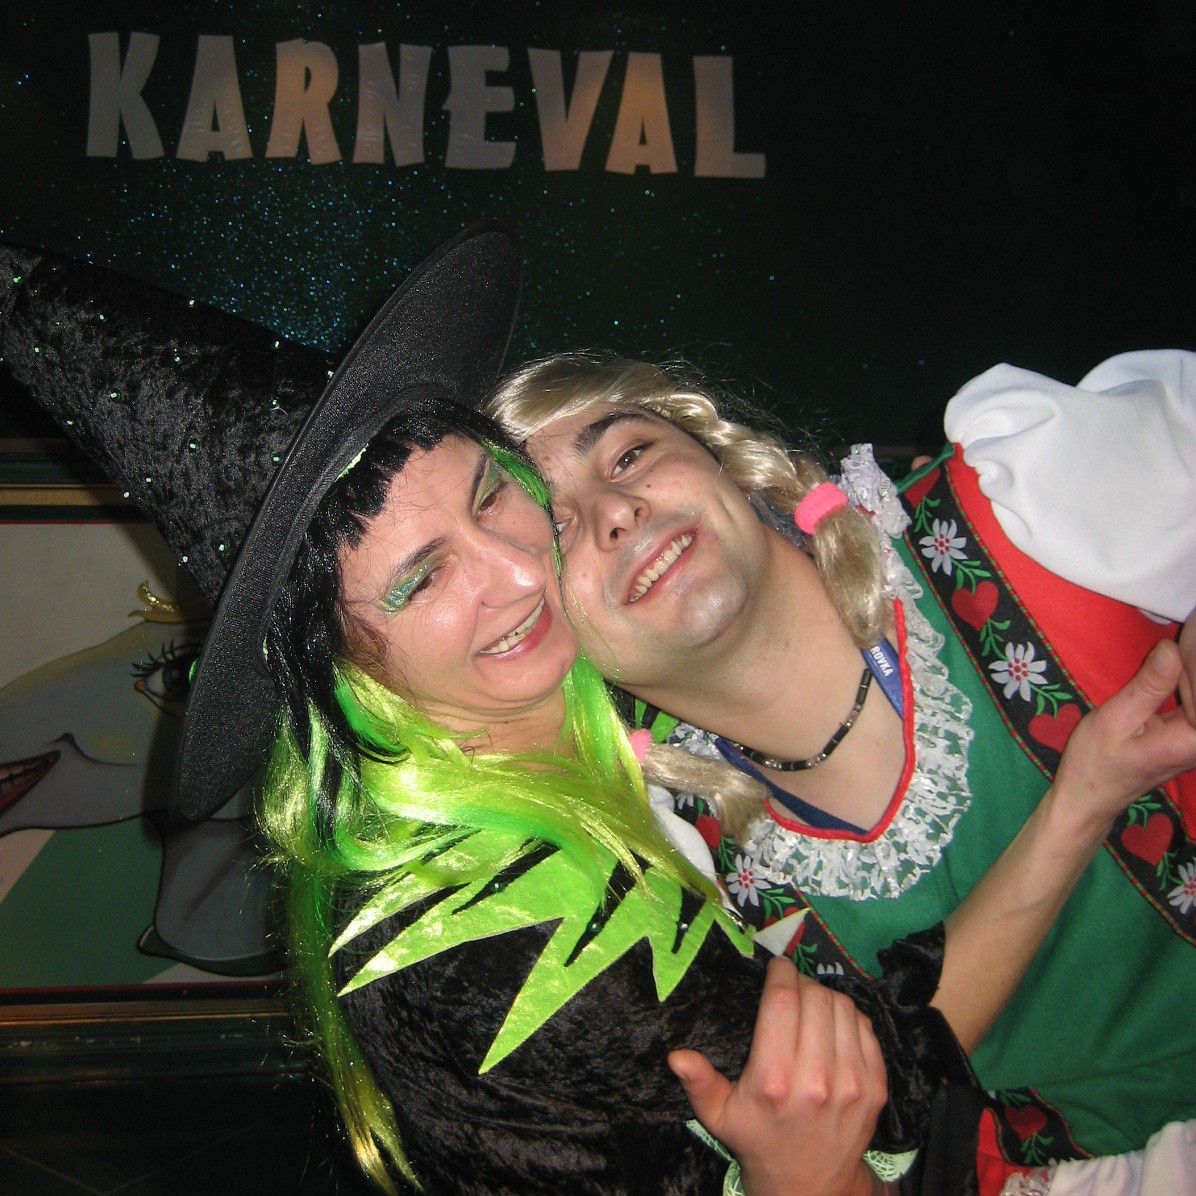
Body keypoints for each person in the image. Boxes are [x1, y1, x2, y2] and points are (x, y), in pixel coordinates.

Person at [2, 229, 1184, 1196]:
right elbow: (861, 1093)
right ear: (353, 674)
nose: (526, 566)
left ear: (722, 453)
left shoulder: (1016, 514)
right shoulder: (529, 910)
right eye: (419, 578)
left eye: (499, 498)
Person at [488, 349, 1196, 1193]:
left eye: (631, 453)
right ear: (546, 636)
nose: (616, 511)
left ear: (720, 458)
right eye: (555, 530)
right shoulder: (679, 880)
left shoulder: (1022, 500)